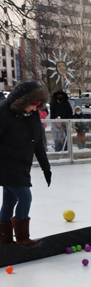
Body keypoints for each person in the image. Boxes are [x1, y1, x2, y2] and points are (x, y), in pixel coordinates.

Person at [0, 80, 51, 247]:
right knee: (24, 197)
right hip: (6, 165)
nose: (35, 108)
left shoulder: (32, 114)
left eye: (38, 105)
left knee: (9, 201)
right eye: (33, 104)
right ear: (22, 101)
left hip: (23, 166)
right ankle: (22, 238)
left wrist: (46, 168)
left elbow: (38, 143)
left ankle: (4, 240)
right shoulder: (3, 111)